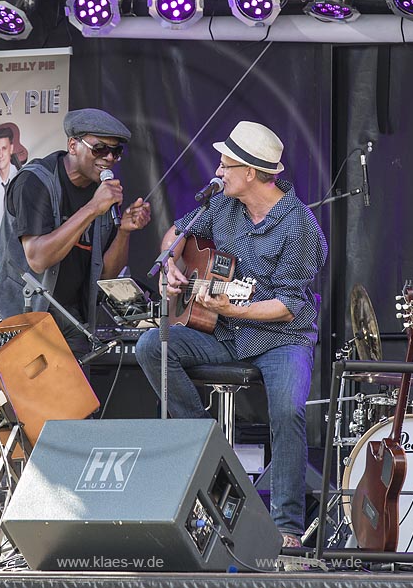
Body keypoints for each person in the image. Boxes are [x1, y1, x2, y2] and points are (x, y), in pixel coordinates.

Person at [134, 120, 327, 549]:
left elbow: (289, 305)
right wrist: (173, 267)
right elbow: (176, 235)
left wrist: (232, 307)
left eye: (226, 165)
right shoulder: (222, 206)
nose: (218, 171)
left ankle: (287, 528)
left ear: (253, 173)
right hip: (223, 331)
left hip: (282, 338)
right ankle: (214, 456)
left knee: (289, 413)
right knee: (152, 344)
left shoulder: (299, 227)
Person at [0, 108, 152, 355]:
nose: (109, 158)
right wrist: (92, 208)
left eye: (116, 151)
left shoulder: (101, 195)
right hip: (16, 311)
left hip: (68, 315)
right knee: (27, 393)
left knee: (76, 392)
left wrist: (124, 231)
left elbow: (104, 275)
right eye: (99, 148)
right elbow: (38, 259)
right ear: (73, 145)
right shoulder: (35, 181)